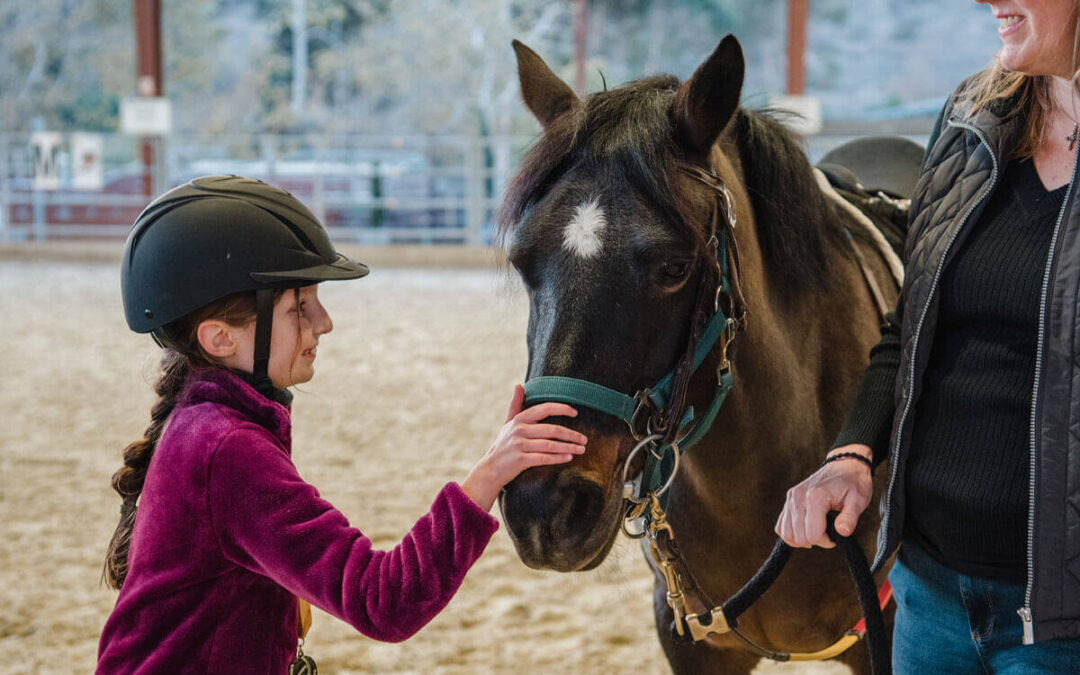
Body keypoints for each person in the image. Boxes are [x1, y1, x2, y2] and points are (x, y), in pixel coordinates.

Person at [97, 175, 587, 673]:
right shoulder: (226, 448)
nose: (324, 322)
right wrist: (489, 473)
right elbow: (385, 601)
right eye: (299, 308)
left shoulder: (206, 423)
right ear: (220, 339)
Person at [777, 0, 1080, 672]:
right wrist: (851, 452)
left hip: (1060, 622)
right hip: (929, 593)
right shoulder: (971, 117)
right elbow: (912, 325)